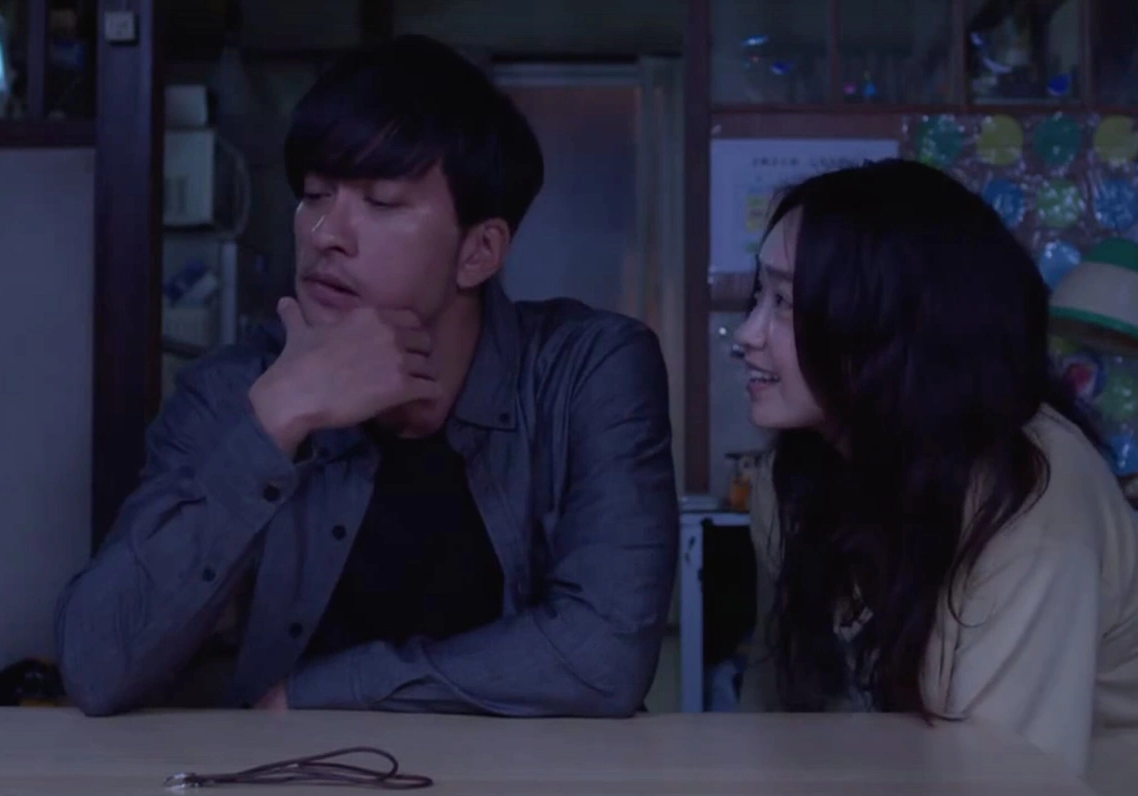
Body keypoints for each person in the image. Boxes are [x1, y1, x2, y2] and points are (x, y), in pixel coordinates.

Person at [55, 34, 678, 718]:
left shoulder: (588, 371)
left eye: (381, 202)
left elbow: (604, 655)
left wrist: (327, 691)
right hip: (287, 770)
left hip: (518, 772)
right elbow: (96, 668)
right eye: (315, 195)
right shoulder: (239, 388)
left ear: (478, 251)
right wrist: (275, 421)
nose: (326, 233)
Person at [733, 158, 1138, 790]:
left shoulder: (1030, 497)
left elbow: (1008, 778)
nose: (746, 334)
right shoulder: (791, 479)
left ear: (887, 322)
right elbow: (776, 706)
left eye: (784, 301)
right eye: (759, 295)